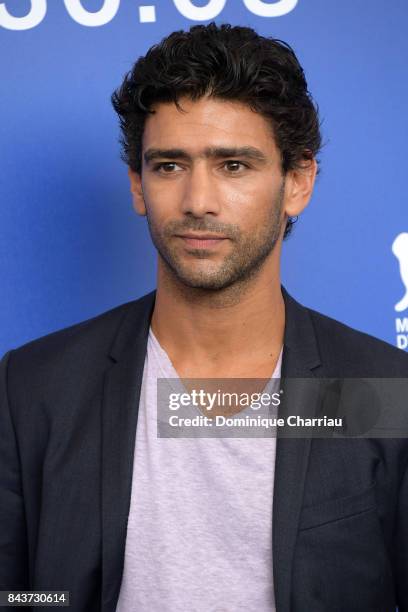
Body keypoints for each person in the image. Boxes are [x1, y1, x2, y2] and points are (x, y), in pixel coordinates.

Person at [0, 22, 407, 612]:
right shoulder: (35, 387)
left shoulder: (383, 391)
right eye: (169, 165)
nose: (198, 201)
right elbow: (18, 597)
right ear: (138, 185)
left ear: (297, 182)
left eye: (234, 165)